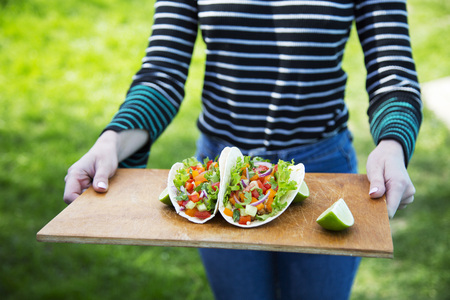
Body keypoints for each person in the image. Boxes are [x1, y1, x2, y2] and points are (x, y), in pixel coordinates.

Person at [63, 1, 422, 299]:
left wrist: (393, 142)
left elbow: (392, 70)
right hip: (215, 178)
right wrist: (112, 139)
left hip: (322, 172)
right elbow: (163, 72)